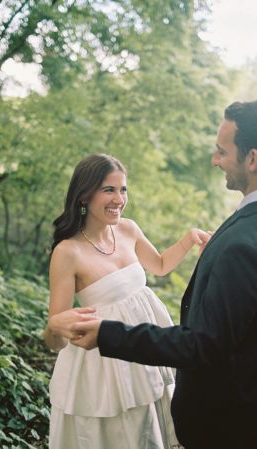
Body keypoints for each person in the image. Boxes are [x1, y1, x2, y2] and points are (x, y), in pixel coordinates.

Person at [71, 101, 257, 449]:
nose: (214, 161)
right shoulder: (68, 251)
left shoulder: (241, 244)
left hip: (229, 425)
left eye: (221, 151)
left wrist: (108, 334)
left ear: (252, 159)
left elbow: (203, 343)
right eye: (108, 189)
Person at [44, 153, 211, 449]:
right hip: (104, 365)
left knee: (153, 428)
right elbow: (55, 337)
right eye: (109, 189)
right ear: (84, 195)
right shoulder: (68, 252)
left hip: (145, 349)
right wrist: (56, 326)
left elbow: (159, 265)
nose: (119, 199)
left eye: (123, 190)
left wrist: (189, 239)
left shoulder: (128, 229)